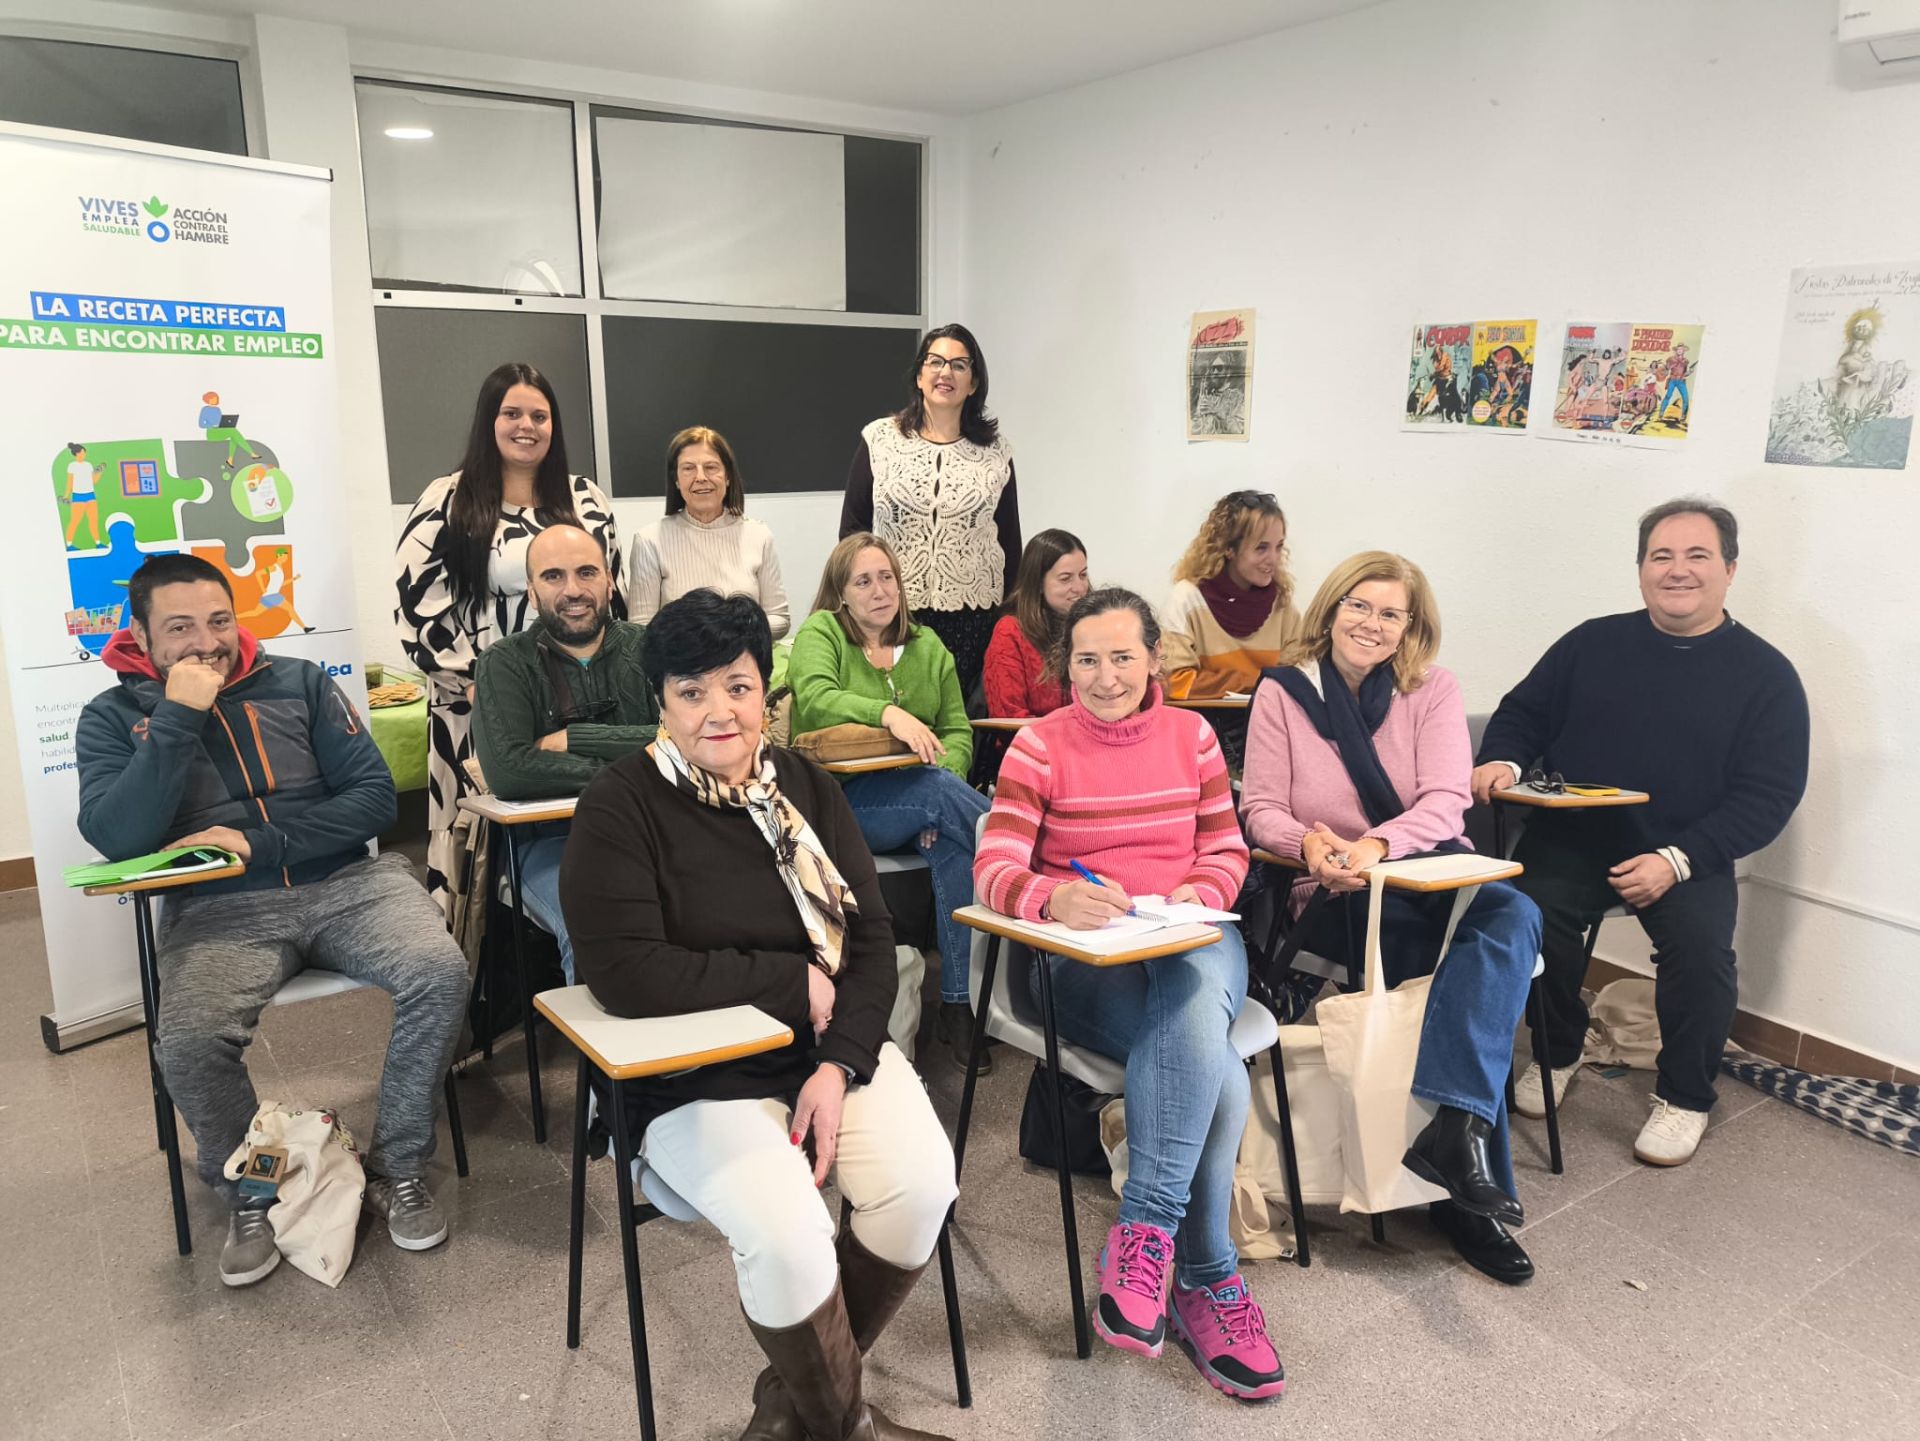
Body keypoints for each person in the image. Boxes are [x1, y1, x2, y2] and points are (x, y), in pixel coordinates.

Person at [560, 589, 958, 1441]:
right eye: (691, 691)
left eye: (737, 686)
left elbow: (872, 935)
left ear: (764, 693)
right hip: (692, 1076)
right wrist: (784, 984)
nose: (718, 712)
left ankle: (795, 1410)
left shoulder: (805, 784)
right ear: (659, 702)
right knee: (790, 1237)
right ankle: (845, 1425)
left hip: (824, 1055)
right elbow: (625, 972)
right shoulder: (620, 805)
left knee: (923, 1186)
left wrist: (837, 1062)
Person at [74, 554, 469, 1287]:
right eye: (181, 627)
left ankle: (398, 1166)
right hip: (221, 909)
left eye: (220, 620)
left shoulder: (301, 682)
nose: (207, 641)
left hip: (348, 881)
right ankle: (254, 1187)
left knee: (439, 971)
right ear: (142, 633)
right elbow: (118, 835)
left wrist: (262, 843)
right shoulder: (112, 716)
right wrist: (178, 715)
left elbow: (375, 798)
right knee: (188, 1041)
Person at [974, 587, 1285, 1400]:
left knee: (1193, 991)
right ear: (1064, 664)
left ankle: (1146, 1232)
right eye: (1087, 659)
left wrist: (1196, 890)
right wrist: (1052, 898)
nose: (1106, 676)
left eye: (1122, 656)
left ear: (1154, 659)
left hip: (1190, 938)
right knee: (1214, 1059)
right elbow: (994, 865)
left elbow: (1226, 846)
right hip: (1082, 960)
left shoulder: (1194, 738)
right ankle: (1207, 1278)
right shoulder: (1037, 746)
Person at [1471, 498, 1808, 1167]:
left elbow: (1768, 797)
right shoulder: (1593, 642)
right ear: (1641, 570)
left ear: (1730, 569)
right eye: (1662, 555)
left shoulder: (1767, 677)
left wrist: (1677, 859)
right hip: (1573, 838)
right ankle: (1557, 1048)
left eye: (1697, 555)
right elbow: (1521, 713)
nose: (1677, 570)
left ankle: (1685, 1096)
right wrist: (1503, 759)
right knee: (1525, 910)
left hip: (1685, 850)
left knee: (1702, 951)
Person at [1240, 551, 1542, 1286]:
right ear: (1332, 608)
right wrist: (1309, 842)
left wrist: (1378, 844)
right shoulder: (1283, 692)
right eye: (1358, 605)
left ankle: (1456, 1130)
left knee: (1512, 915)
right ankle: (1462, 1189)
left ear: (1411, 626)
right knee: (1455, 967)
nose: (1371, 623)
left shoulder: (1432, 690)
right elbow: (1260, 809)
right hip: (1336, 893)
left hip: (1423, 870)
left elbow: (1446, 802)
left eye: (1390, 612)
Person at [395, 361, 624, 912]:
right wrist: (484, 689)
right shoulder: (448, 498)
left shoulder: (586, 500)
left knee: (580, 829)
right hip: (477, 704)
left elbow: (613, 600)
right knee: (483, 847)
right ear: (489, 421)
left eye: (540, 415)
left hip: (580, 700)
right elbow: (416, 605)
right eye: (512, 413)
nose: (527, 425)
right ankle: (486, 981)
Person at [788, 533, 990, 1074]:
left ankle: (958, 1006)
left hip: (924, 801)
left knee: (954, 847)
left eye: (888, 578)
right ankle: (1029, 858)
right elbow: (815, 697)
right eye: (863, 581)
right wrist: (889, 714)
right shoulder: (821, 633)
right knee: (963, 819)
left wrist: (939, 790)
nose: (880, 590)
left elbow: (956, 730)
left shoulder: (928, 646)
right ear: (841, 593)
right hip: (840, 808)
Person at [471, 523, 659, 983]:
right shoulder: (504, 663)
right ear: (531, 592)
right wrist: (642, 763)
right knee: (598, 923)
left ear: (609, 581)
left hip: (655, 830)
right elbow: (511, 770)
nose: (573, 590)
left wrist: (576, 738)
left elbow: (682, 737)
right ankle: (608, 1054)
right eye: (553, 576)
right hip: (550, 845)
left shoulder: (649, 649)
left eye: (587, 573)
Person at [840, 323, 1018, 701]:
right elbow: (852, 532)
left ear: (973, 383)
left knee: (962, 725)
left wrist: (1008, 619)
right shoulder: (880, 439)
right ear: (919, 376)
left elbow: (1009, 541)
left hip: (974, 617)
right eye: (935, 361)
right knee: (899, 718)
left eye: (959, 365)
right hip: (892, 612)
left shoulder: (996, 452)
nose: (945, 372)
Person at [628, 425, 790, 638]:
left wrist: (728, 633)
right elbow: (640, 629)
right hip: (681, 667)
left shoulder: (759, 536)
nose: (701, 477)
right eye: (688, 468)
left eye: (711, 467)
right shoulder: (649, 541)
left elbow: (780, 619)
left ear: (728, 476)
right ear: (676, 480)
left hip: (744, 665)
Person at [1162, 490, 1302, 702]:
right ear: (1229, 549)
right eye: (1261, 548)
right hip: (1207, 725)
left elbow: (1300, 678)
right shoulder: (1186, 600)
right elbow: (1173, 683)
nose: (1273, 559)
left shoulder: (1282, 605)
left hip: (1271, 724)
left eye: (1279, 547)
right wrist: (1258, 682)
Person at [982, 528, 1089, 717]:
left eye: (1083, 575)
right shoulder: (1011, 631)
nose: (1079, 588)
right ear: (1038, 583)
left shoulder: (1096, 626)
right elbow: (1008, 716)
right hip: (1031, 743)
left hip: (1092, 740)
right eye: (1066, 579)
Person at [237, 546, 314, 634]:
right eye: (284, 556)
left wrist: (294, 579)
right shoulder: (274, 567)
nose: (286, 558)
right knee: (290, 609)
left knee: (255, 612)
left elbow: (281, 584)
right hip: (272, 596)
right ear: (279, 555)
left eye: (286, 556)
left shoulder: (280, 569)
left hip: (271, 596)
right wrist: (262, 588)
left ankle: (236, 616)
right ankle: (304, 628)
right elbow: (258, 573)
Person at [197, 391, 259, 468]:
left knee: (234, 435)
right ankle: (251, 453)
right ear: (208, 399)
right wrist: (212, 425)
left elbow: (221, 421)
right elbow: (201, 424)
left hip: (220, 430)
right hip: (212, 433)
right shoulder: (205, 409)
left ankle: (230, 459)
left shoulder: (217, 409)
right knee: (233, 432)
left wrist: (224, 424)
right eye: (213, 398)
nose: (215, 400)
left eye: (216, 398)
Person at [64, 442, 104, 549]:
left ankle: (98, 543)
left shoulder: (88, 465)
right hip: (78, 497)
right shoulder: (72, 466)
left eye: (84, 453)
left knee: (93, 520)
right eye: (82, 453)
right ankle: (69, 545)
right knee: (75, 521)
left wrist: (100, 472)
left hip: (90, 496)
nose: (83, 455)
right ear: (76, 454)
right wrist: (66, 496)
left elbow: (94, 481)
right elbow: (70, 483)